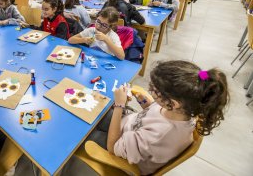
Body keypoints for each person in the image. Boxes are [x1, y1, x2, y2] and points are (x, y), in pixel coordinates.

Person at [88, 60, 229, 175]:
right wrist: (144, 101)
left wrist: (119, 105)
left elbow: (112, 147)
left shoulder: (158, 136)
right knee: (94, 110)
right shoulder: (183, 111)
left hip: (120, 149)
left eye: (154, 89)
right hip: (128, 127)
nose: (150, 90)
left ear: (172, 103)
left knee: (84, 135)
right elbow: (154, 114)